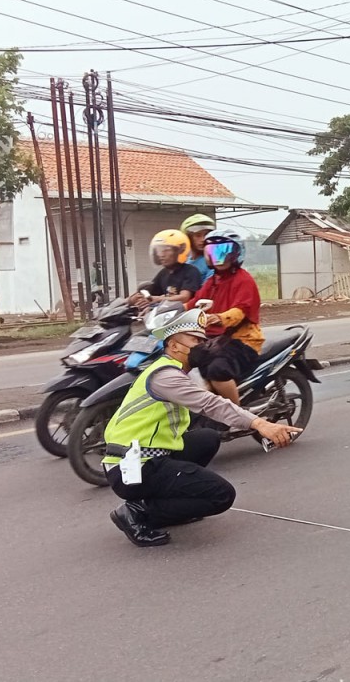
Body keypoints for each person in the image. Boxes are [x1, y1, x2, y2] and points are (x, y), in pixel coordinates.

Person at [101, 308, 299, 547]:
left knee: (207, 438)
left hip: (143, 456)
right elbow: (210, 403)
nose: (203, 345)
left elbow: (203, 409)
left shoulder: (176, 371)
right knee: (221, 495)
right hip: (133, 466)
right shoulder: (166, 376)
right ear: (174, 345)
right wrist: (259, 423)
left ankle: (169, 504)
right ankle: (137, 511)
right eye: (195, 340)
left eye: (204, 340)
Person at [186, 229, 264, 406]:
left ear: (235, 254)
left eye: (223, 252)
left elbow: (240, 310)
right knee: (183, 360)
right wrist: (165, 310)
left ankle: (237, 416)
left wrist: (219, 318)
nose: (218, 258)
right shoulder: (212, 281)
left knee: (217, 370)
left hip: (242, 341)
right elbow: (193, 303)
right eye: (213, 253)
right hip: (214, 339)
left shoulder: (244, 280)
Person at [129, 230, 203, 310]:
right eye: (159, 250)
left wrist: (158, 299)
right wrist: (133, 299)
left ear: (180, 250)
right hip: (166, 314)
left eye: (166, 250)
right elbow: (150, 290)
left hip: (184, 315)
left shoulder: (190, 271)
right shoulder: (163, 273)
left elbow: (184, 298)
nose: (161, 255)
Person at [181, 214, 215, 280]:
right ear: (188, 238)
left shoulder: (212, 262)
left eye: (206, 235)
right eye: (198, 235)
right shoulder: (185, 263)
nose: (203, 239)